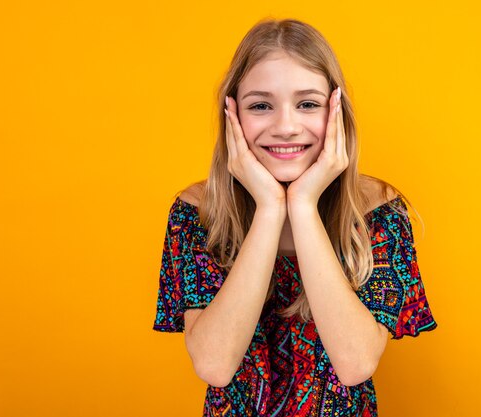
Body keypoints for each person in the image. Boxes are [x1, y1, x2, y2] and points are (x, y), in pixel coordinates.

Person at [153, 17, 437, 416]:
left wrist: (302, 205)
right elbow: (214, 365)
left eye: (307, 104)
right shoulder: (198, 213)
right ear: (231, 114)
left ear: (336, 112)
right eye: (260, 105)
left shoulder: (378, 212)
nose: (285, 127)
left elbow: (355, 363)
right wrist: (270, 207)